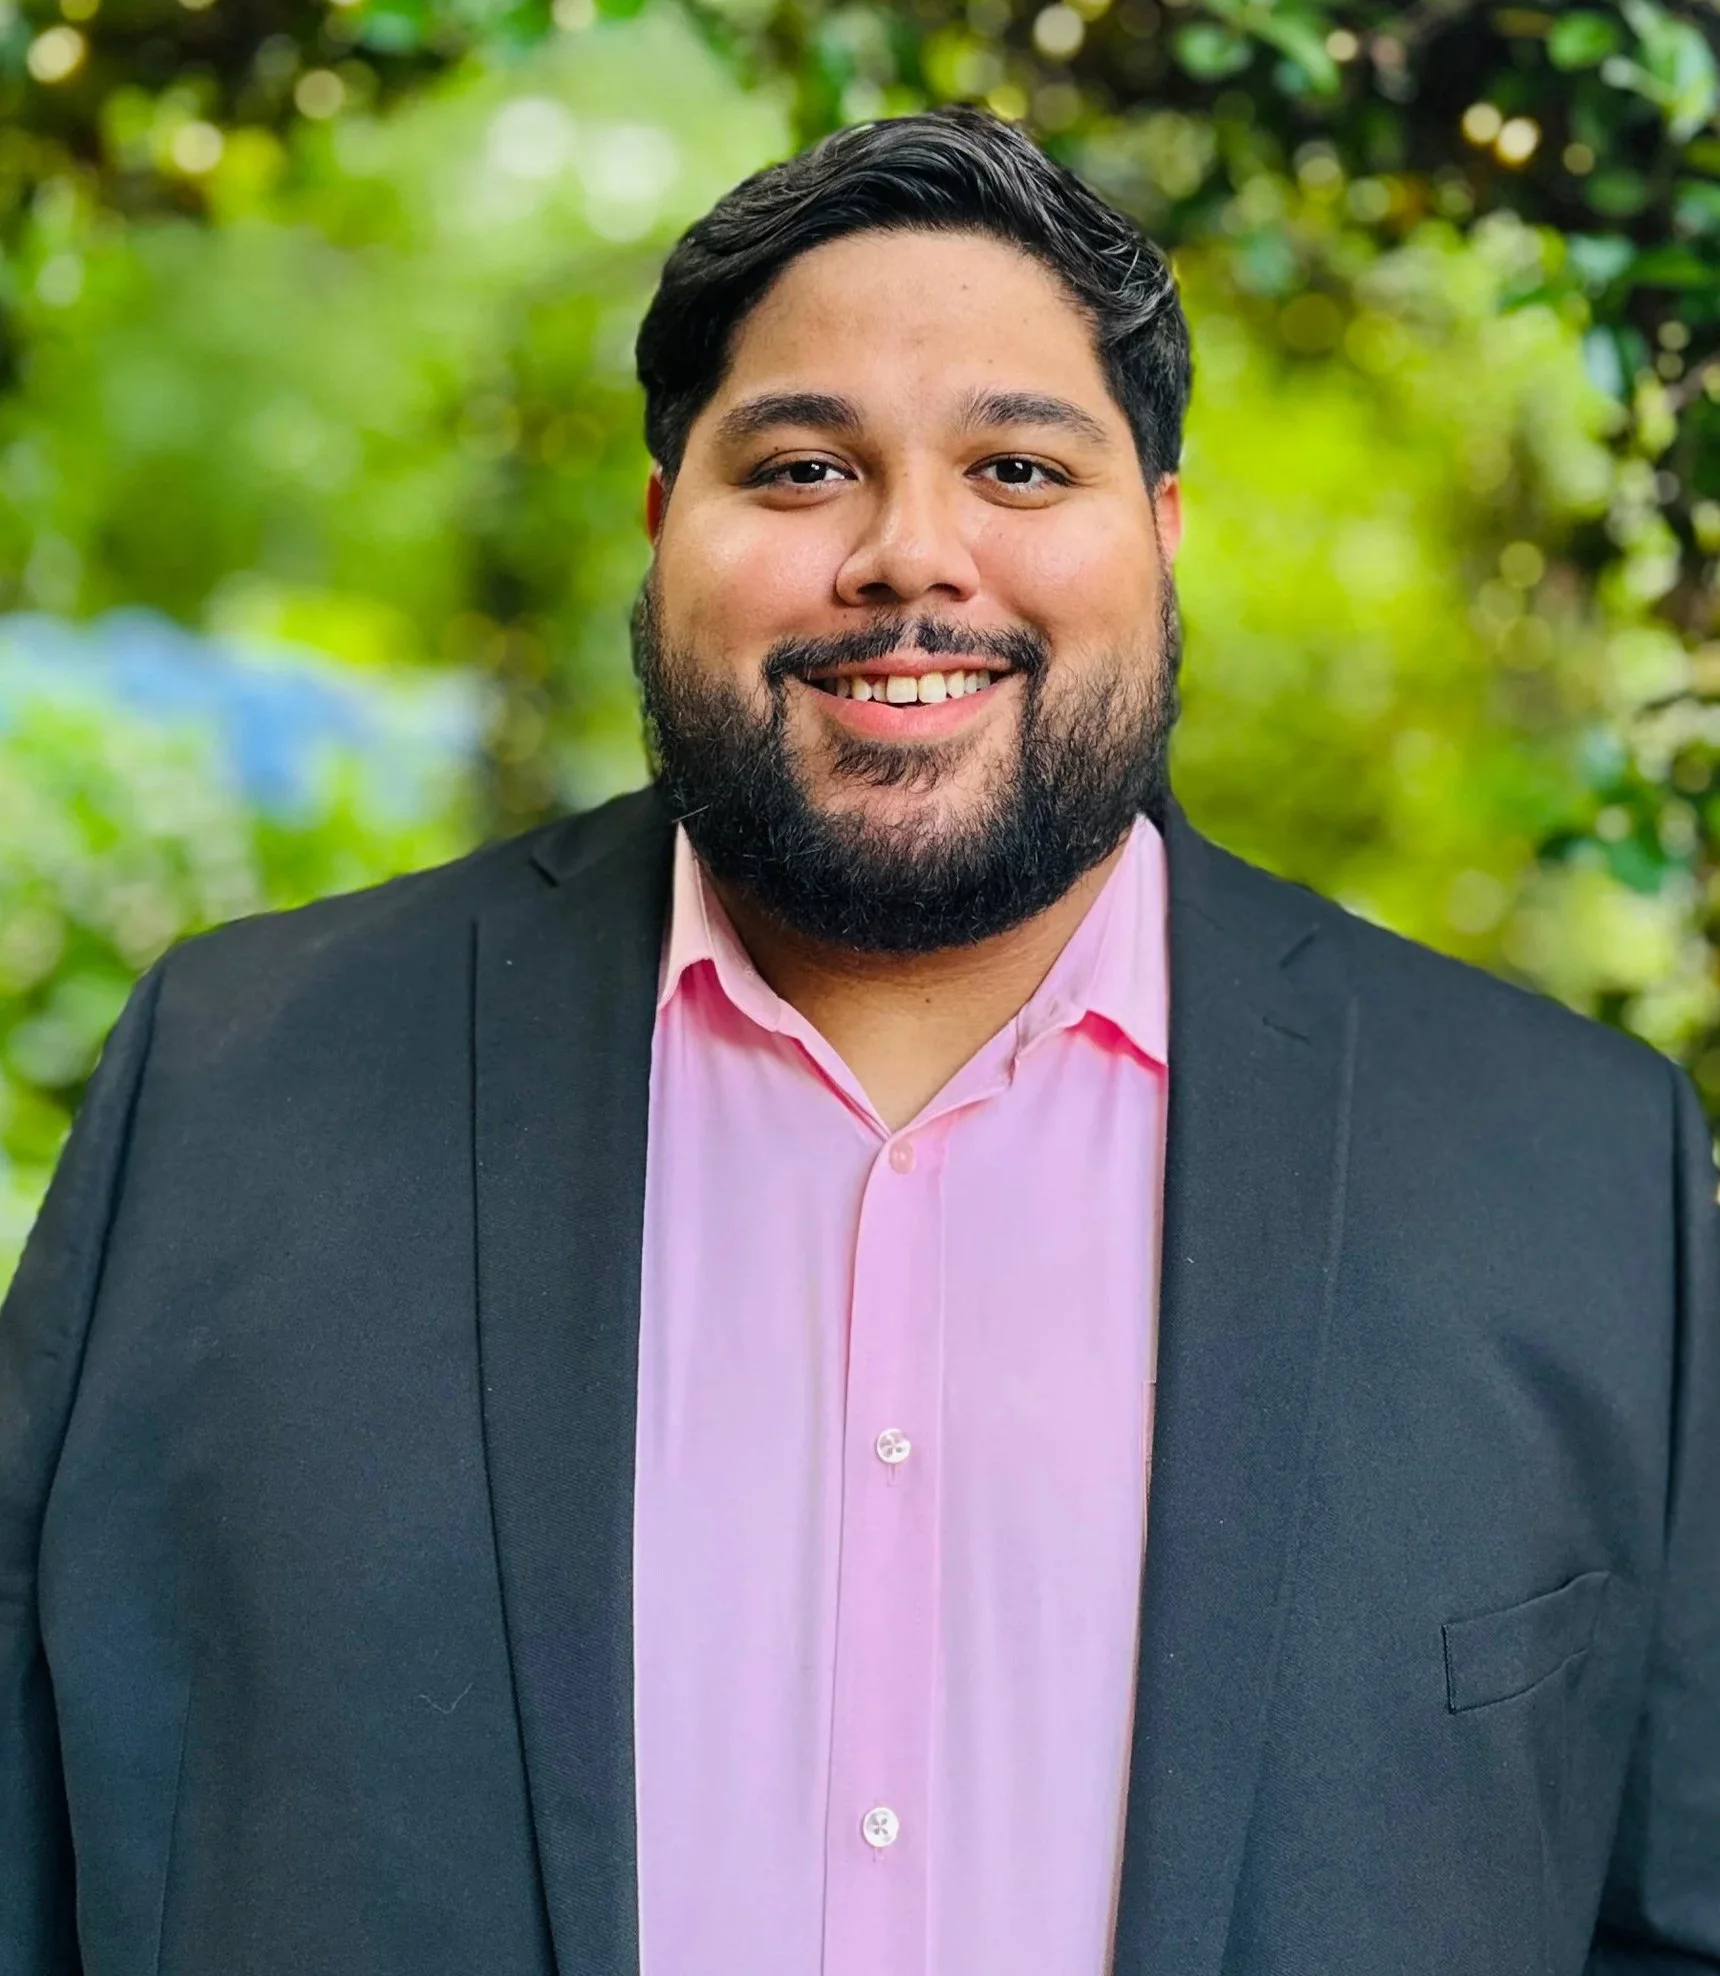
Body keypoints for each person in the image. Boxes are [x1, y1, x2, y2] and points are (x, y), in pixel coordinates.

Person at [2, 106, 1716, 1976]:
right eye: (805, 468)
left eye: (1020, 469)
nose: (913, 558)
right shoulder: (239, 1085)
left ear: (1160, 534)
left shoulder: (1578, 1168)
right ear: (664, 534)